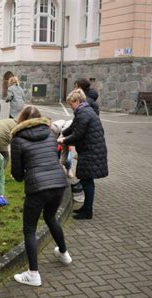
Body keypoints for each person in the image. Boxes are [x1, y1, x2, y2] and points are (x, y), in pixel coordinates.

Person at [10, 105, 71, 287]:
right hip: (59, 184)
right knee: (51, 217)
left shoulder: (17, 140)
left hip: (37, 188)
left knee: (29, 229)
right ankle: (64, 253)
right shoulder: (51, 134)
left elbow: (18, 174)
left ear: (21, 119)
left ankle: (33, 274)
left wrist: (23, 175)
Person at [58, 89, 108, 220]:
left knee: (87, 181)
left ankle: (88, 211)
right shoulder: (83, 111)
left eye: (71, 103)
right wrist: (62, 133)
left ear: (78, 101)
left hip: (91, 151)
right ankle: (86, 208)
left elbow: (78, 134)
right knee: (86, 179)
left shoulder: (84, 113)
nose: (70, 106)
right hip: (91, 150)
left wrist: (63, 140)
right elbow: (73, 127)